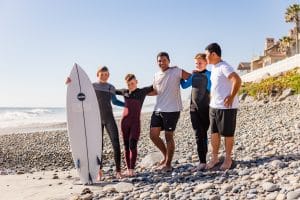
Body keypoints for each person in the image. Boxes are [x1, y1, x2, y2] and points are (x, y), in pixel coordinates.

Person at [66, 66, 124, 179]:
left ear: (109, 75)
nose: (104, 76)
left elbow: (115, 101)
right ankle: (99, 171)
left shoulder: (111, 87)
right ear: (97, 74)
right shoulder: (92, 86)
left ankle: (118, 171)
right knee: (98, 146)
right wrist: (70, 82)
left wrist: (128, 105)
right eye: (102, 74)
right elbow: (79, 91)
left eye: (106, 74)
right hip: (95, 120)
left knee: (116, 143)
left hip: (109, 118)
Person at [150, 52, 191, 172]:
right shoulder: (156, 75)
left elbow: (190, 78)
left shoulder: (176, 71)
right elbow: (155, 91)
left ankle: (168, 164)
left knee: (168, 136)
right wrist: (139, 94)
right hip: (158, 108)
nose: (161, 62)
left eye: (163, 60)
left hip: (172, 109)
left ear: (168, 61)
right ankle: (165, 156)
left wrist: (184, 84)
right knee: (153, 135)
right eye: (159, 61)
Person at [204, 43, 241, 170]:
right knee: (214, 133)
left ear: (213, 54)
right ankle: (214, 158)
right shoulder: (215, 67)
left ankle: (228, 159)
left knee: (228, 134)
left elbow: (237, 80)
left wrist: (231, 96)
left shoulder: (224, 66)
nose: (205, 57)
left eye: (206, 54)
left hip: (227, 107)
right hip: (214, 106)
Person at [115, 74, 155, 177]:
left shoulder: (142, 92)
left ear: (136, 82)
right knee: (126, 146)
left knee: (133, 144)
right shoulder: (124, 92)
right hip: (124, 122)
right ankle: (128, 169)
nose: (130, 86)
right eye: (128, 84)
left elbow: (156, 84)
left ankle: (132, 169)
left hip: (135, 122)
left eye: (132, 83)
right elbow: (110, 90)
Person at [180, 53, 211, 171]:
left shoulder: (210, 75)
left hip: (206, 109)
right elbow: (184, 85)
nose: (198, 65)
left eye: (200, 63)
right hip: (193, 109)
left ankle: (206, 158)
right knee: (198, 135)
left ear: (206, 62)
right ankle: (202, 161)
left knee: (204, 134)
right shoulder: (193, 75)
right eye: (196, 63)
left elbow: (213, 89)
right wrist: (180, 76)